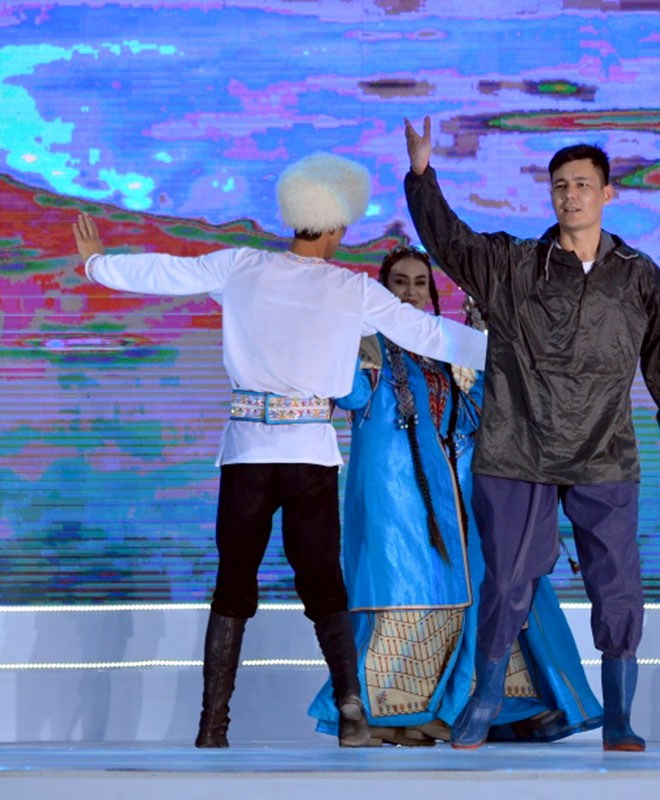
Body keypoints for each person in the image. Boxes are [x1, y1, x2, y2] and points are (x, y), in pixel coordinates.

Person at [70, 152, 486, 749]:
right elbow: (430, 333)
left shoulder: (242, 266)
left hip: (248, 454)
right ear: (337, 226)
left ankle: (213, 727)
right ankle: (351, 712)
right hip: (310, 456)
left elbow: (166, 272)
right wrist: (512, 348)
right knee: (324, 585)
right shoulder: (351, 289)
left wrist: (98, 265)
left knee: (234, 585)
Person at [402, 117, 660, 751]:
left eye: (583, 184)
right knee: (508, 581)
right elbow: (449, 240)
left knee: (617, 586)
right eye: (561, 185)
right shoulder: (513, 264)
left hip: (604, 451)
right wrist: (423, 176)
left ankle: (619, 717)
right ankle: (485, 698)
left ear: (607, 193)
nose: (572, 195)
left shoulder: (639, 275)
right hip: (519, 445)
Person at [306, 246, 603, 745]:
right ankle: (388, 711)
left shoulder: (446, 345)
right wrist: (346, 337)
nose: (410, 291)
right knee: (406, 591)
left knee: (478, 587)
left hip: (457, 485)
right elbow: (351, 396)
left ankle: (479, 705)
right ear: (381, 288)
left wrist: (483, 363)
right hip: (392, 488)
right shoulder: (366, 340)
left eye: (420, 282)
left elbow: (479, 415)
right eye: (399, 282)